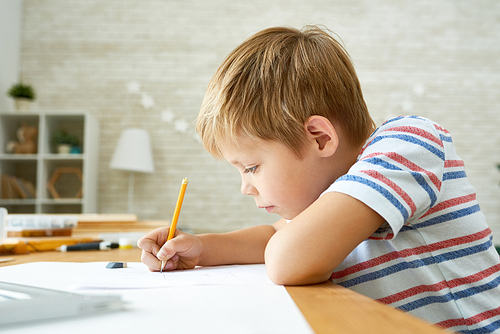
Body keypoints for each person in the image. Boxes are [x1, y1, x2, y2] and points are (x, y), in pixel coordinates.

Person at [138, 25, 500, 333]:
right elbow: (276, 235)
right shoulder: (331, 195)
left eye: (251, 168)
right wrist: (201, 248)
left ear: (319, 138)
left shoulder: (408, 144)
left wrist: (281, 245)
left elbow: (286, 259)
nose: (245, 187)